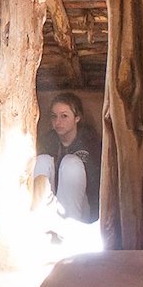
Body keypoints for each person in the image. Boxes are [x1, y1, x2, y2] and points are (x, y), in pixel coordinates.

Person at [31, 92, 98, 225]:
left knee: (71, 162)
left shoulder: (90, 142)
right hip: (51, 206)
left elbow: (95, 185)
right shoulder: (46, 142)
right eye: (54, 116)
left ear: (77, 118)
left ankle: (69, 229)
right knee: (42, 160)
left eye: (64, 116)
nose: (58, 122)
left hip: (79, 209)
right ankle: (40, 224)